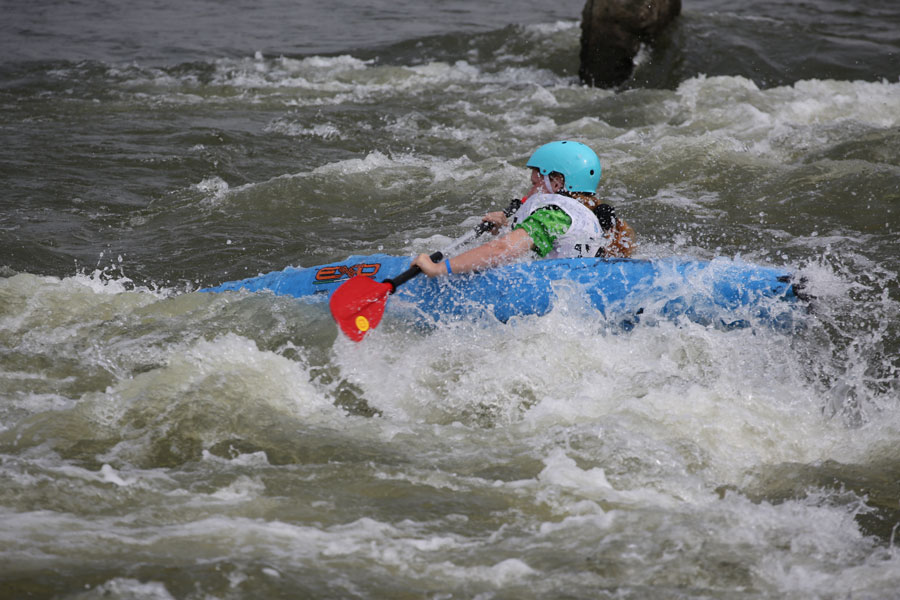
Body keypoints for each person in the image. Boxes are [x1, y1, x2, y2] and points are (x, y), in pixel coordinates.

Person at [412, 140, 635, 277]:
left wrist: (439, 269)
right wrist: (503, 229)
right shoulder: (590, 215)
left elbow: (502, 250)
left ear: (557, 183)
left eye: (535, 183)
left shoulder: (553, 214)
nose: (529, 191)